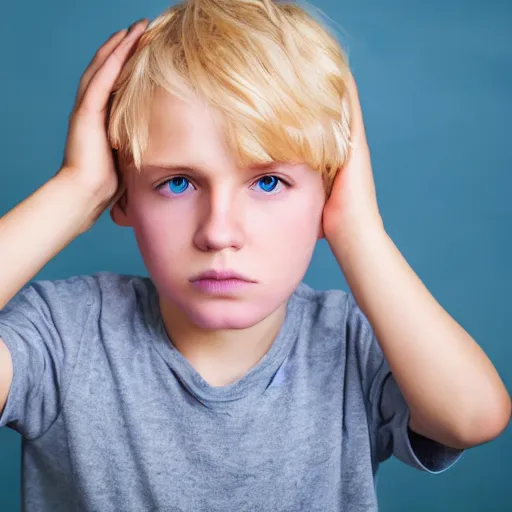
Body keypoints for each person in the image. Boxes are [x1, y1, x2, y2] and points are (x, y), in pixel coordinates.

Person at [0, 1, 509, 511]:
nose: (219, 232)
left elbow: (472, 416)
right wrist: (76, 190)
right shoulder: (64, 337)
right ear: (124, 196)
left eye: (269, 181)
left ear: (330, 195)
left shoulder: (353, 344)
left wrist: (358, 229)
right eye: (177, 182)